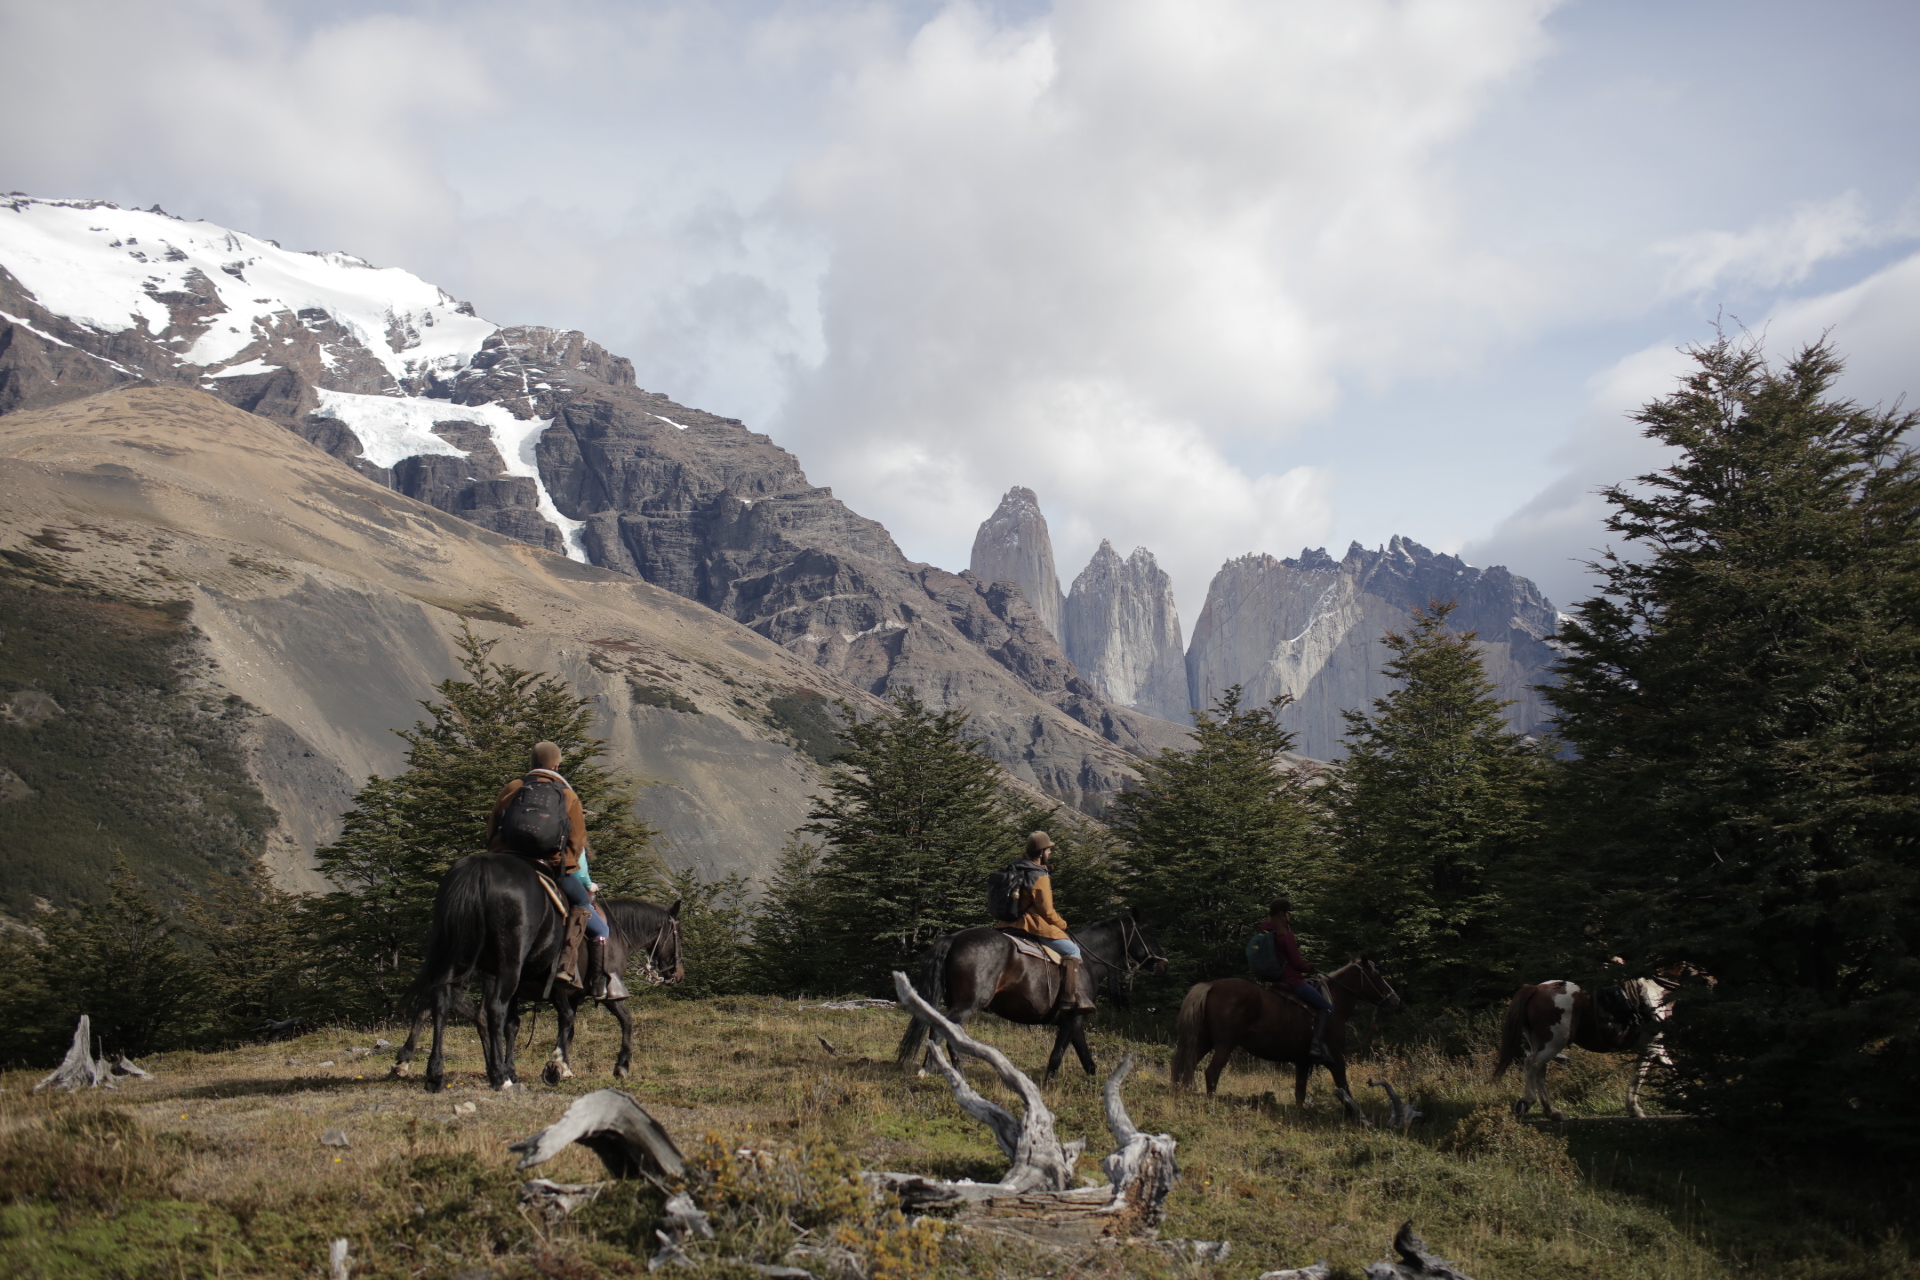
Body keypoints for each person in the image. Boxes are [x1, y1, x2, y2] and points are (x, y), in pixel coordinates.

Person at [487, 741, 611, 996]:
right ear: (556, 765)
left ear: (532, 763)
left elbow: (493, 827)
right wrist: (574, 872)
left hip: (507, 862)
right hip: (550, 866)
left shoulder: (513, 787)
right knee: (595, 921)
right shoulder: (566, 794)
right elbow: (576, 843)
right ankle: (588, 979)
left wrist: (496, 853)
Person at [994, 831, 1095, 1015]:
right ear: (1041, 852)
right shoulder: (1039, 876)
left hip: (1007, 923)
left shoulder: (1016, 867)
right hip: (1030, 925)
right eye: (1048, 849)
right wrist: (1062, 924)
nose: (1050, 852)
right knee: (1073, 950)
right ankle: (1069, 999)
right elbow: (1046, 911)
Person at [1248, 898, 1334, 1066]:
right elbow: (1297, 963)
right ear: (1283, 914)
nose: (1290, 916)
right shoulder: (1285, 934)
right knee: (1326, 1007)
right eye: (1289, 913)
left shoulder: (1267, 933)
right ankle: (1316, 1045)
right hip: (1293, 981)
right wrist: (1309, 967)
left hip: (1277, 980)